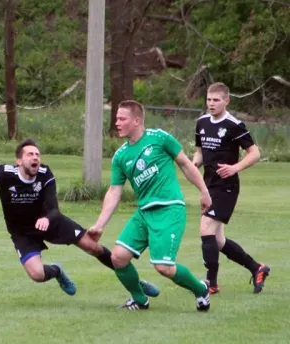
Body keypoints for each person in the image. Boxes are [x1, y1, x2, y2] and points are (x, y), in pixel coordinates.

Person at [0, 138, 160, 298]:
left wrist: (46, 218)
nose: (36, 158)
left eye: (38, 154)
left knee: (94, 247)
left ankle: (134, 282)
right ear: (19, 160)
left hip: (51, 222)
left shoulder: (44, 173)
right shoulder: (5, 173)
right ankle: (57, 271)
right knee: (37, 275)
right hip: (21, 231)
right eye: (30, 154)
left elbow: (53, 207)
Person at [88, 100, 212, 311]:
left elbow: (185, 164)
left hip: (169, 209)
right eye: (116, 118)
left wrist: (204, 191)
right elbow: (115, 191)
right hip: (144, 213)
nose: (116, 122)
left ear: (136, 120)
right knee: (118, 258)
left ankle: (201, 290)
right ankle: (139, 299)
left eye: (121, 118)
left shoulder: (159, 138)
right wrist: (100, 224)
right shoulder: (120, 156)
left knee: (163, 267)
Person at [193, 82, 270, 294]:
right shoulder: (201, 123)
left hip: (226, 188)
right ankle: (257, 268)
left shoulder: (234, 125)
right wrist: (194, 164)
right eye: (209, 99)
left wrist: (235, 167)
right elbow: (200, 151)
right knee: (217, 240)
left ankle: (211, 284)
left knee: (206, 229)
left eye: (216, 100)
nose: (211, 104)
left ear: (226, 101)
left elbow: (254, 153)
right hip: (208, 186)